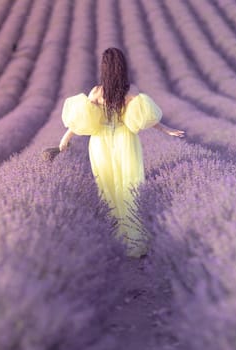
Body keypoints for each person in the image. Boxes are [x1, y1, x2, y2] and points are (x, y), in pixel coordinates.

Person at [58, 47, 185, 258]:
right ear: (122, 67)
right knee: (130, 186)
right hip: (125, 141)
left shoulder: (97, 92)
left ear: (104, 68)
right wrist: (166, 130)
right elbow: (147, 117)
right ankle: (135, 240)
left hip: (100, 144)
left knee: (107, 188)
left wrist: (64, 139)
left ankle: (114, 240)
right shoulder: (130, 90)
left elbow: (80, 120)